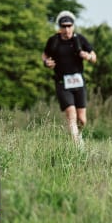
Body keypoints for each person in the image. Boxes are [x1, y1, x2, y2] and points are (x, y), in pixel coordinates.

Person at [42, 11, 97, 145]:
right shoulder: (53, 41)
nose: (66, 29)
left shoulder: (80, 39)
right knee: (71, 114)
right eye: (64, 26)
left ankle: (78, 135)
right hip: (62, 83)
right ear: (59, 27)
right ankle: (76, 146)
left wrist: (88, 56)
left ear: (73, 26)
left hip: (79, 82)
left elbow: (94, 57)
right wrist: (46, 62)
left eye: (69, 26)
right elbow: (45, 55)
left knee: (82, 119)